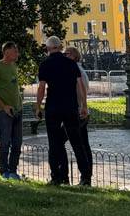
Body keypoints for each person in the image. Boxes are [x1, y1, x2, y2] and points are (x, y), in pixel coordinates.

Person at [35, 36, 92, 186]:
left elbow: (41, 87)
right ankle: (85, 178)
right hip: (70, 106)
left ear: (48, 49)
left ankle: (56, 177)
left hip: (53, 107)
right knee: (77, 142)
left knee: (54, 143)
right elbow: (80, 85)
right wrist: (84, 105)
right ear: (60, 47)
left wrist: (38, 105)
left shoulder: (45, 64)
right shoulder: (71, 64)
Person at [0, 41, 24, 180]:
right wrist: (3, 106)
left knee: (17, 142)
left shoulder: (14, 66)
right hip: (5, 112)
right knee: (5, 142)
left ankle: (13, 170)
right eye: (15, 51)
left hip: (17, 110)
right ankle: (4, 171)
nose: (17, 53)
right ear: (7, 51)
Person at [62, 46, 94, 186]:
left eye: (66, 54)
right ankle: (86, 177)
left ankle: (75, 177)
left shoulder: (76, 71)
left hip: (77, 112)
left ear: (74, 56)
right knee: (83, 145)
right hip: (81, 111)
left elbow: (81, 90)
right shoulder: (79, 70)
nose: (63, 56)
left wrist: (82, 107)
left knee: (66, 142)